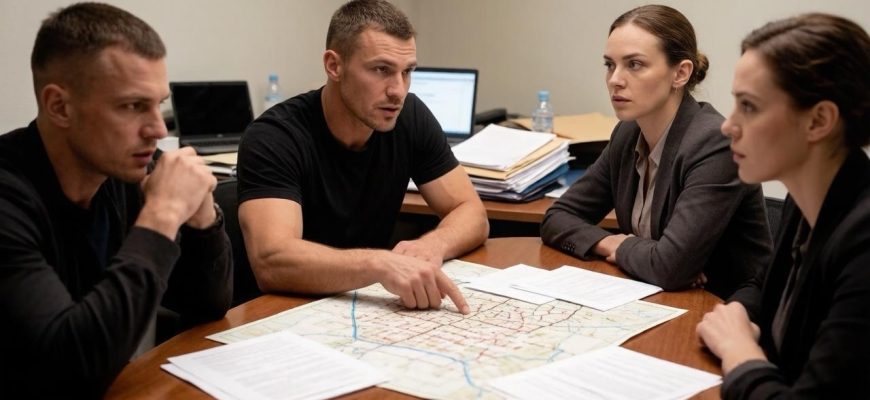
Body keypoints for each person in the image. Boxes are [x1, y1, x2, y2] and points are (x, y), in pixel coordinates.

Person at [0, 3, 233, 397]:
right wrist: (163, 214)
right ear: (59, 107)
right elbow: (70, 368)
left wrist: (202, 217)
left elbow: (207, 304)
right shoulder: (9, 198)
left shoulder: (125, 171)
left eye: (158, 105)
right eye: (132, 106)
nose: (158, 130)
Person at [236, 0, 487, 314]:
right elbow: (272, 261)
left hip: (365, 306)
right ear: (334, 66)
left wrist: (433, 245)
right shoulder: (275, 137)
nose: (398, 91)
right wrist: (381, 264)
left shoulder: (410, 117)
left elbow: (472, 212)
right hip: (281, 312)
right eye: (381, 70)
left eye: (407, 71)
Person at [541, 4, 771, 298]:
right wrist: (611, 243)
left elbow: (670, 267)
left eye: (634, 64)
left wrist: (633, 249)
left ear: (680, 73)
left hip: (724, 307)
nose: (615, 79)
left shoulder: (715, 143)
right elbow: (557, 217)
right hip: (656, 295)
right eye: (610, 65)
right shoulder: (627, 134)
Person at [696, 13, 870, 398]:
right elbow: (765, 284)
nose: (728, 125)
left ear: (818, 120)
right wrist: (737, 314)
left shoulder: (863, 242)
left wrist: (737, 349)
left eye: (749, 106)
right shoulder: (806, 196)